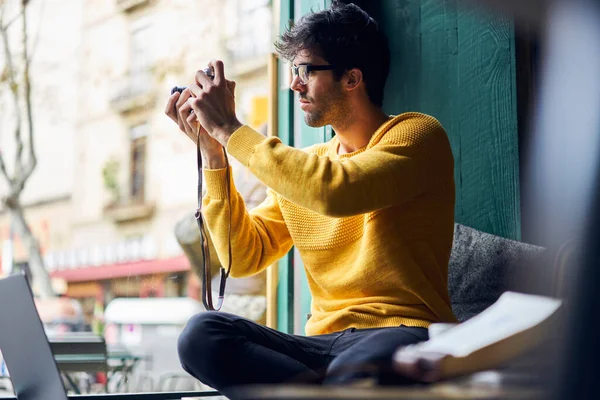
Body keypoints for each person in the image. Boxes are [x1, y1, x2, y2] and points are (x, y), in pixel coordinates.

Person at [165, 2, 457, 397]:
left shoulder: (417, 135)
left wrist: (230, 128)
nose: (294, 84)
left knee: (351, 374)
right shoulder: (311, 166)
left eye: (305, 70)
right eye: (292, 72)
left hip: (402, 330)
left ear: (352, 77)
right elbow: (243, 255)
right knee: (200, 336)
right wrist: (215, 153)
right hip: (322, 346)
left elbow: (336, 191)